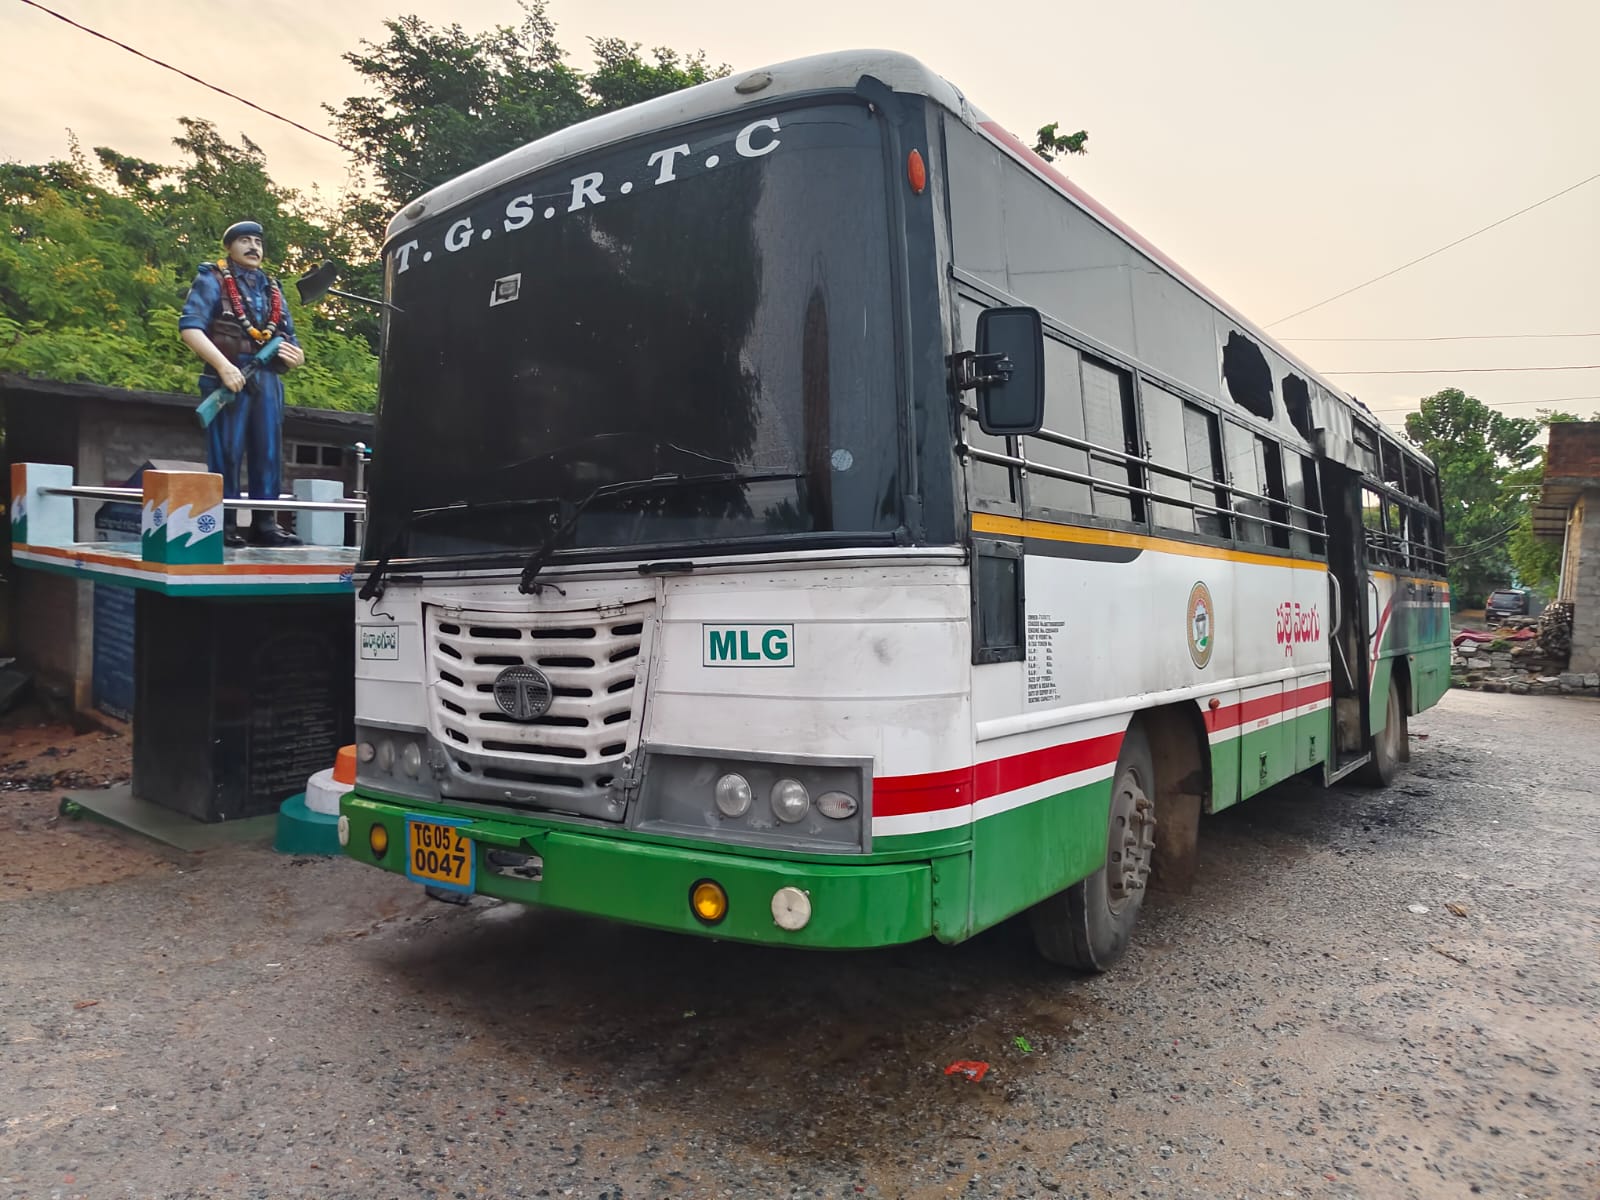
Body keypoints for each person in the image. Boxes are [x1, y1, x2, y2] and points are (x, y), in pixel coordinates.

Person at [178, 220, 306, 547]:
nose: (253, 247)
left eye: (258, 242)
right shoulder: (213, 280)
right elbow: (190, 328)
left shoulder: (272, 288)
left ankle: (266, 523)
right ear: (230, 247)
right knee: (228, 451)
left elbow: (289, 338)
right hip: (229, 376)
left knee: (268, 452)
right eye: (245, 240)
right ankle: (224, 523)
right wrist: (222, 366)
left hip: (266, 378)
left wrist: (296, 357)